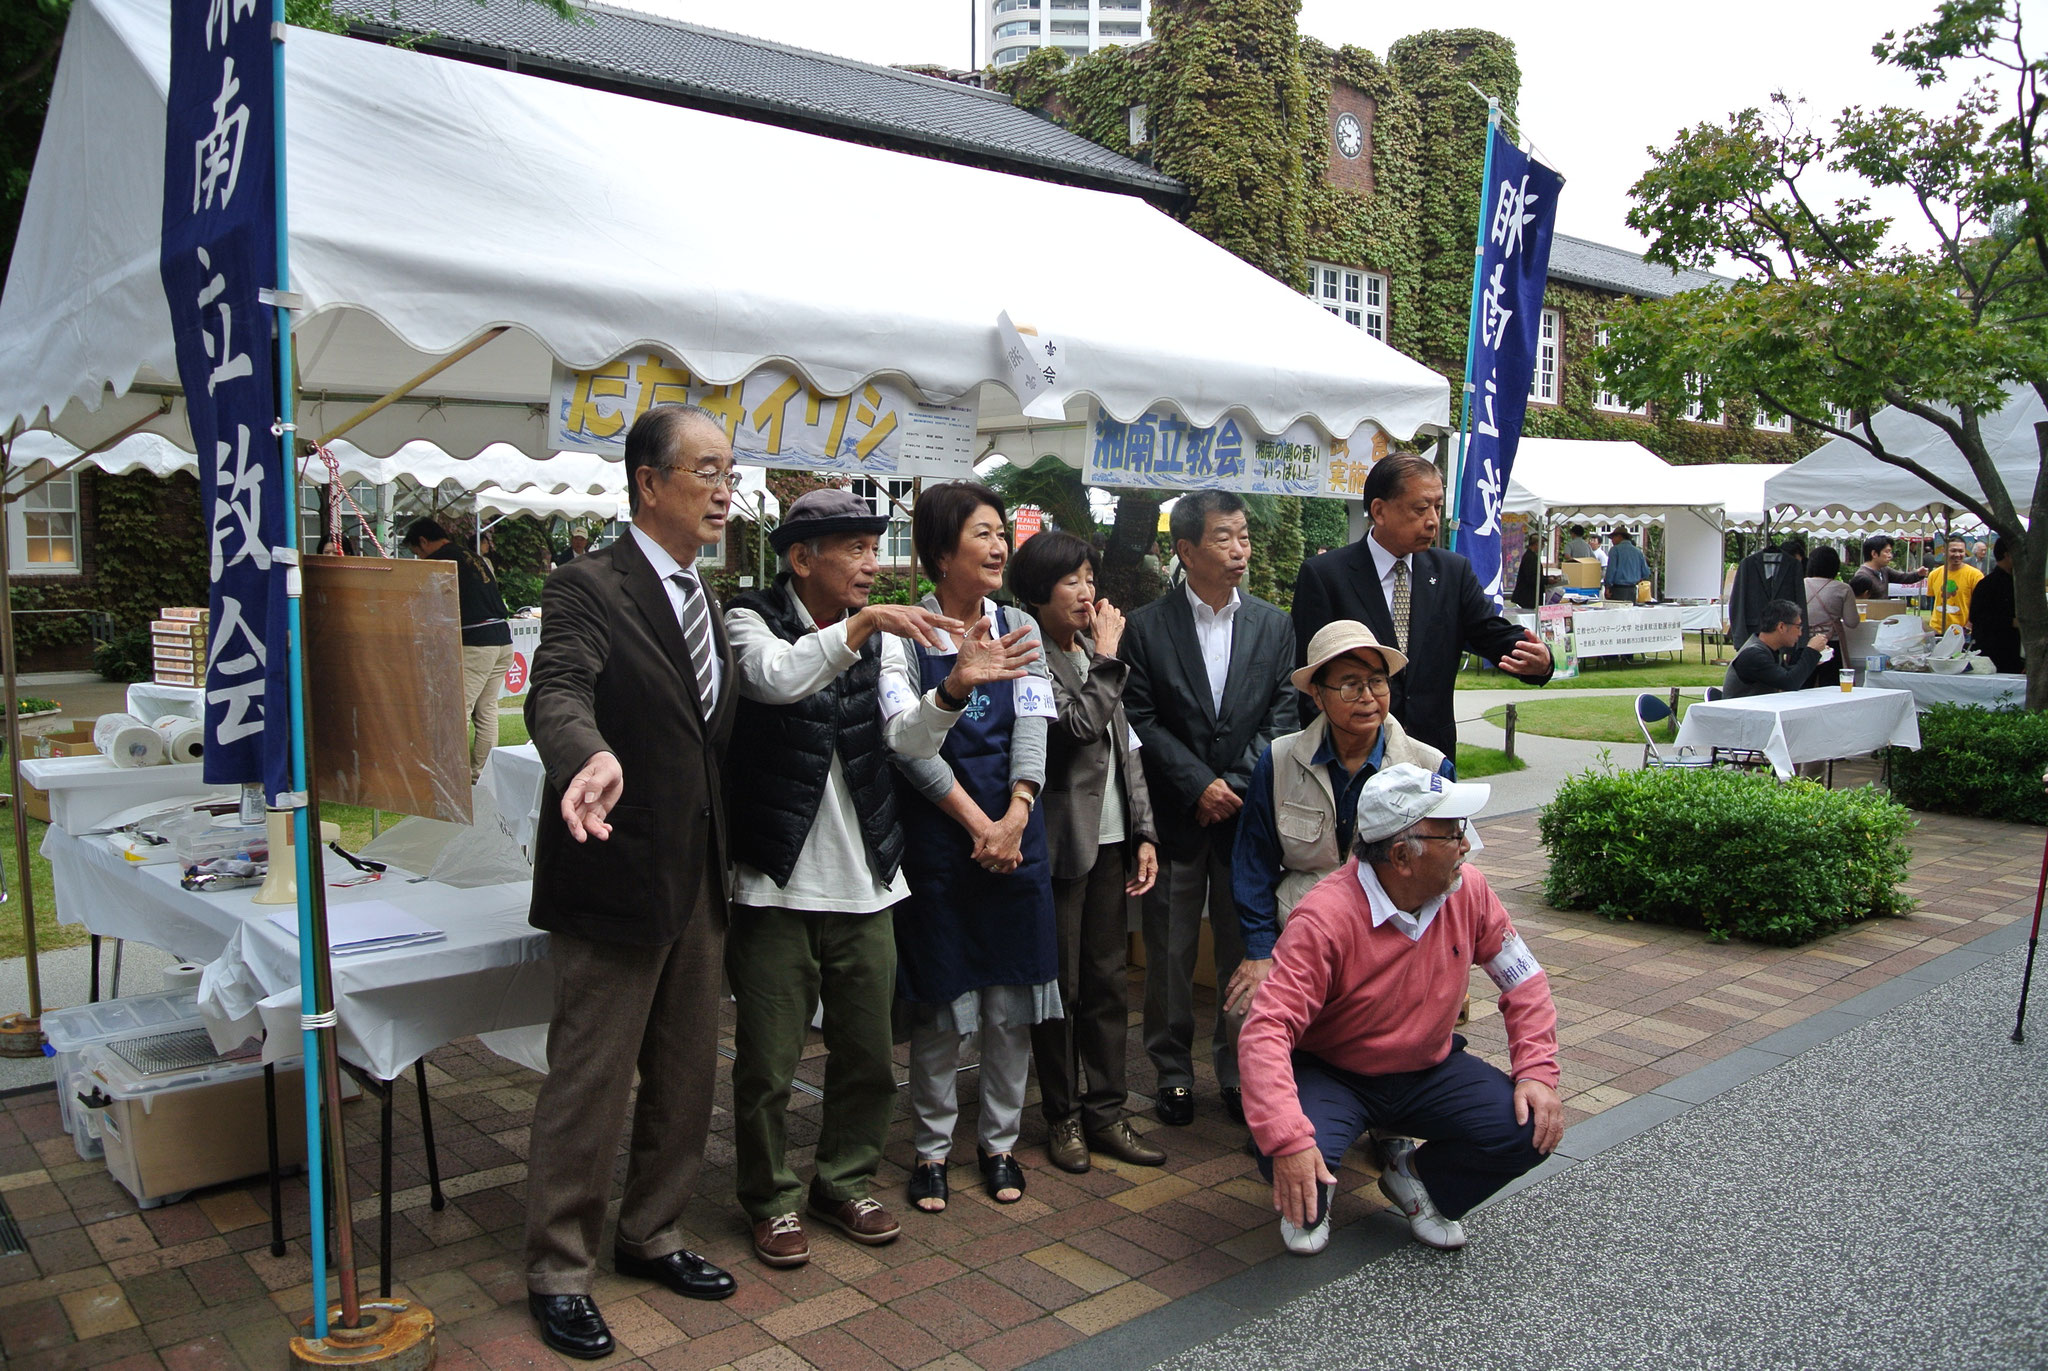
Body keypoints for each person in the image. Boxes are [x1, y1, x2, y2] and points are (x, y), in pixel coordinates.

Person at [720, 490, 1035, 1267]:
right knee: (768, 1061)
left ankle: (845, 1178)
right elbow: (772, 677)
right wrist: (859, 627)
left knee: (866, 1054)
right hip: (776, 881)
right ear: (802, 558)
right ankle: (769, 1198)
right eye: (856, 549)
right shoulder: (749, 617)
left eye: (875, 547)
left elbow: (904, 736)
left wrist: (956, 687)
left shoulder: (887, 640)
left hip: (868, 880)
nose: (871, 565)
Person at [521, 404, 741, 1359]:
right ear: (649, 483)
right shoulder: (587, 584)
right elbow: (557, 688)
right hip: (612, 865)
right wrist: (586, 756)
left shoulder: (711, 598)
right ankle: (557, 1267)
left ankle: (653, 1230)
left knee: (690, 1069)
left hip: (696, 872)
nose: (726, 489)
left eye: (731, 471)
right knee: (592, 1079)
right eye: (707, 471)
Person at [1239, 764, 1562, 1256]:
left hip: (1428, 1068)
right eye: (1452, 834)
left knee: (1526, 1128)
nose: (1467, 846)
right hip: (1334, 1071)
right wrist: (1286, 1139)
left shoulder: (1468, 891)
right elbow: (1266, 1029)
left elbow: (1526, 981)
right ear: (1400, 856)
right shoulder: (1325, 917)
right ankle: (1313, 1189)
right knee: (1289, 1154)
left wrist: (1537, 1070)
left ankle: (1416, 1179)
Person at [890, 482, 1055, 1212]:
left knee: (1010, 1002)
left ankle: (999, 1143)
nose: (998, 547)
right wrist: (974, 822)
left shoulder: (1020, 624)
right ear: (939, 552)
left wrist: (1016, 811)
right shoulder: (905, 635)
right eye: (982, 534)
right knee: (940, 1004)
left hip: (1018, 836)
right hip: (940, 837)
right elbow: (907, 746)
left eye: (1000, 533)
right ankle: (929, 1151)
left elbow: (1034, 720)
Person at [1123, 490, 1297, 1126]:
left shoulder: (1274, 626)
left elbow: (1283, 715)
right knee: (1167, 949)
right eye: (1225, 538)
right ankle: (1171, 1069)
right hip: (1176, 814)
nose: (1240, 549)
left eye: (1244, 537)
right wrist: (1197, 784)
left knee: (1241, 944)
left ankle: (1236, 1066)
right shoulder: (1147, 627)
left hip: (1246, 818)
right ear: (1186, 549)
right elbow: (1139, 717)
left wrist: (1233, 784)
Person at [1008, 531, 1167, 1174]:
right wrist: (1106, 657)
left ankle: (1107, 1112)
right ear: (1038, 592)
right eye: (1072, 581)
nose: (1088, 592)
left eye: (1090, 579)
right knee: (1062, 989)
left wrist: (1145, 832)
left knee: (1107, 983)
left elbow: (1127, 749)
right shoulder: (1031, 658)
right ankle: (1062, 1116)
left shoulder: (1091, 655)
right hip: (1059, 845)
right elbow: (1075, 730)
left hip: (1109, 843)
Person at [1223, 620, 1448, 1027]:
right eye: (1350, 685)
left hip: (1395, 947)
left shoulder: (1428, 769)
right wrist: (1260, 950)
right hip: (1301, 939)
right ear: (1317, 695)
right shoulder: (1278, 761)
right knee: (1247, 1016)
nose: (1367, 698)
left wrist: (1448, 963)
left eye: (1377, 683)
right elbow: (1252, 863)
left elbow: (1449, 879)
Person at [1291, 454, 1553, 757]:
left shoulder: (1453, 573)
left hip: (1431, 755)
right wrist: (1328, 757)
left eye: (1438, 507)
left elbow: (1492, 634)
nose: (1432, 520)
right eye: (1420, 508)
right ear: (1379, 510)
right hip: (1351, 757)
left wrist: (1541, 660)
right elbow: (1307, 679)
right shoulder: (1326, 576)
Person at [403, 517, 516, 784]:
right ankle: (482, 774)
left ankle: (447, 775)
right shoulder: (470, 556)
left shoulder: (441, 560)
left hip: (477, 643)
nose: (419, 559)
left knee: (457, 708)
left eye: (417, 553)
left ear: (423, 541)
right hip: (502, 639)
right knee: (486, 709)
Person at [1722, 598, 1830, 699]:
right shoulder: (1753, 654)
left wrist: (1813, 660)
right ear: (1781, 627)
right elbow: (1789, 683)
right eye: (1798, 627)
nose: (1800, 633)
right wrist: (1812, 650)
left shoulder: (1768, 650)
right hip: (1741, 716)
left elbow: (1785, 674)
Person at [1728, 537, 1806, 645]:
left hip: (1784, 635)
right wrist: (1740, 640)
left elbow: (1800, 602)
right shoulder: (1747, 564)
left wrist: (1801, 643)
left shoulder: (1794, 566)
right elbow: (1737, 603)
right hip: (1753, 632)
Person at [1802, 546, 1858, 689]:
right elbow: (1852, 622)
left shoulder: (1799, 584)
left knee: (1802, 688)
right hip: (1831, 644)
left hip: (1803, 642)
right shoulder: (1843, 589)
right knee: (1830, 689)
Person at [1971, 538, 2023, 674]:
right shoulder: (1988, 584)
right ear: (2007, 555)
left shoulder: (2018, 582)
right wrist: (2011, 621)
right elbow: (1977, 617)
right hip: (1993, 652)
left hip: (2014, 650)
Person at [1930, 538, 1983, 634]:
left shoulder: (1975, 575)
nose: (1957, 555)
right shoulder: (1934, 574)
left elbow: (1980, 605)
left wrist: (1968, 627)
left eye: (1961, 551)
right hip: (1937, 631)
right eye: (1953, 551)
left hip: (1963, 632)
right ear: (1944, 551)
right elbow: (1933, 602)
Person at [1850, 534, 1920, 600]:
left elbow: (1902, 577)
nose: (1890, 556)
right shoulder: (1862, 575)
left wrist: (1918, 574)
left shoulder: (1884, 570)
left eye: (1890, 552)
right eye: (1887, 552)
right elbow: (1859, 602)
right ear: (1874, 554)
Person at [1601, 528, 1650, 602]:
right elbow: (1646, 573)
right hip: (1632, 590)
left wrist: (1607, 587)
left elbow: (1611, 570)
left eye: (1613, 537)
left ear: (1620, 537)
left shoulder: (1615, 550)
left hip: (1618, 589)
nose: (1612, 540)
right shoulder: (1638, 552)